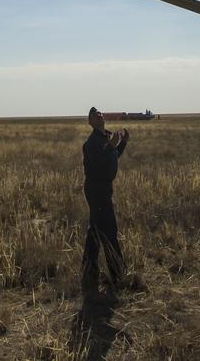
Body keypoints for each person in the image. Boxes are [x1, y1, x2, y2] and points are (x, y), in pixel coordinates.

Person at [81, 107, 128, 295]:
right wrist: (111, 146)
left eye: (99, 113)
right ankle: (118, 274)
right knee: (109, 230)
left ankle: (88, 272)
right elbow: (94, 167)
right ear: (90, 122)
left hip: (104, 189)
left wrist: (122, 143)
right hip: (96, 190)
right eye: (94, 115)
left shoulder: (106, 137)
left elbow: (112, 157)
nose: (99, 115)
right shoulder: (91, 143)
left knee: (95, 231)